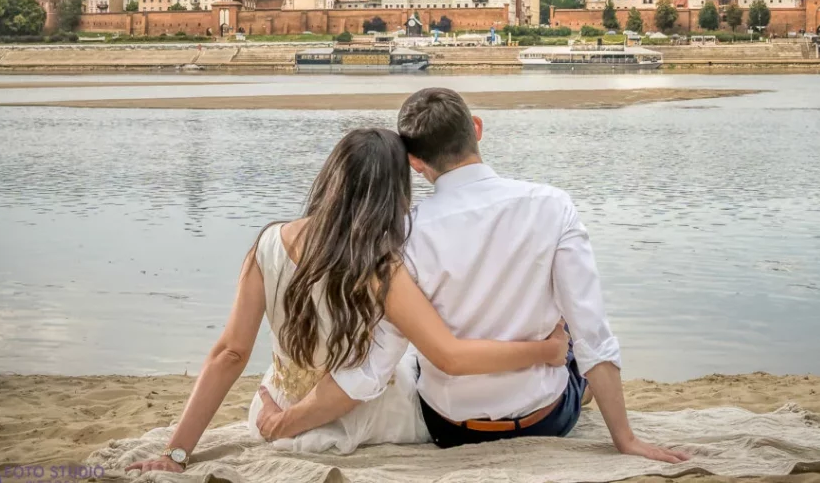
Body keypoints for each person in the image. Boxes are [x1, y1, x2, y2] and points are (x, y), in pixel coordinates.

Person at [256, 88, 689, 462]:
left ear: (415, 162)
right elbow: (595, 334)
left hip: (450, 427)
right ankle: (583, 389)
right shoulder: (552, 206)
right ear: (477, 128)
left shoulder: (403, 236)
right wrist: (626, 440)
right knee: (572, 338)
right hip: (546, 419)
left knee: (413, 347)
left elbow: (369, 369)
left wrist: (284, 422)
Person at [127, 128, 569, 473]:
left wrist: (176, 452)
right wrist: (545, 350)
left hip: (274, 405)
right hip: (362, 419)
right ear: (393, 192)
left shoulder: (268, 243)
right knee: (419, 362)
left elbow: (230, 353)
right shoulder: (381, 267)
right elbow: (449, 355)